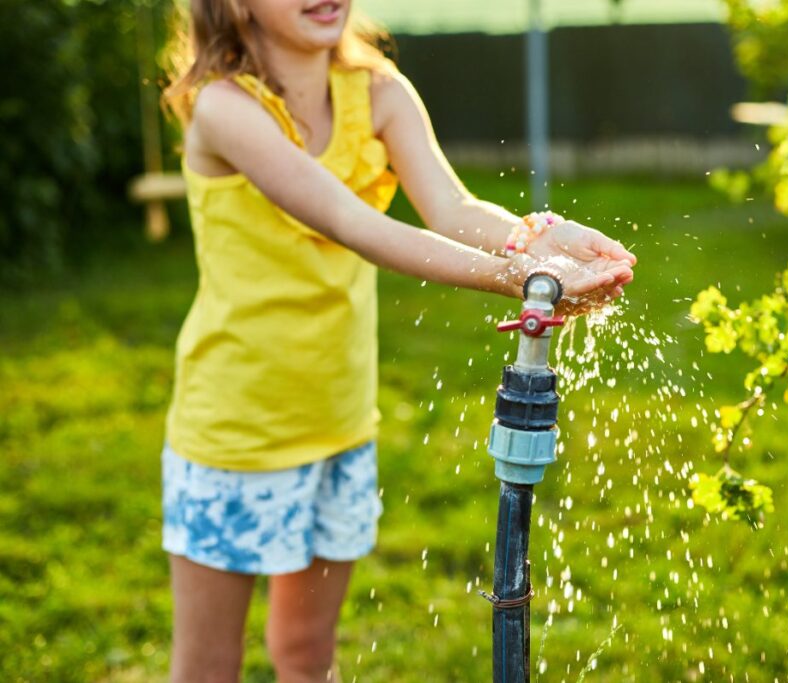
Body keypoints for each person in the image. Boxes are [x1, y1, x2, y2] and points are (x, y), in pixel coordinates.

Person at [160, 1, 636, 681]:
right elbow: (351, 221)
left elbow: (452, 207)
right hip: (233, 436)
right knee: (208, 667)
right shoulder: (225, 108)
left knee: (307, 655)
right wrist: (515, 277)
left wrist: (538, 238)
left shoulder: (379, 92)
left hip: (341, 426)